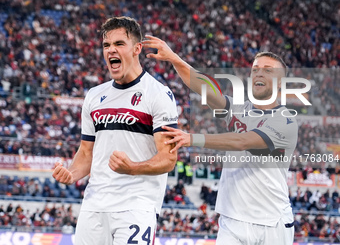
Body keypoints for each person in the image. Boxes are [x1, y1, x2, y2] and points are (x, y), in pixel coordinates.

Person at [143, 36, 297, 245]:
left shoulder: (285, 121)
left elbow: (243, 141)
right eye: (255, 69)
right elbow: (204, 88)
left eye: (268, 70)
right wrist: (174, 58)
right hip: (231, 221)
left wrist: (193, 138)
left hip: (271, 222)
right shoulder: (239, 109)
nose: (259, 72)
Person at [52, 17, 178, 245]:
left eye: (119, 44)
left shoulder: (159, 94)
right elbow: (86, 153)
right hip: (94, 205)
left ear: (137, 48)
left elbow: (168, 159)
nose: (111, 50)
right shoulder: (94, 96)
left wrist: (133, 169)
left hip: (136, 206)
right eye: (106, 45)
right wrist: (71, 174)